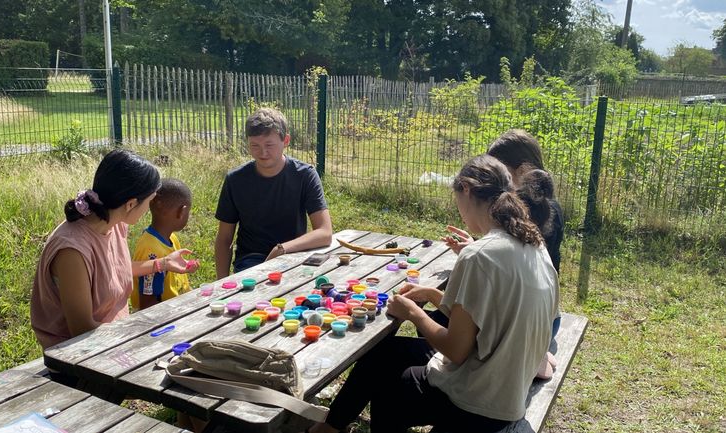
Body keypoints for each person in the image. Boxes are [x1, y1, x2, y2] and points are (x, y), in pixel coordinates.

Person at [309, 155, 559, 433]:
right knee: (383, 354)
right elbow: (490, 317)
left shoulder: (479, 255)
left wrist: (413, 314)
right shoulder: (534, 246)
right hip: (509, 388)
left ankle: (329, 427)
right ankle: (329, 428)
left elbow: (456, 350)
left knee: (389, 389)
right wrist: (432, 295)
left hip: (479, 401)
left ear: (465, 188)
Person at [31, 150, 195, 352]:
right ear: (131, 204)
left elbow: (115, 270)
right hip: (78, 356)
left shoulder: (115, 224)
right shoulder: (71, 251)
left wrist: (162, 263)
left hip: (115, 340)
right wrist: (138, 332)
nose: (149, 208)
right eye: (149, 201)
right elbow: (81, 330)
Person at [443, 129, 564, 378]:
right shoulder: (535, 207)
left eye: (500, 169)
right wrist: (477, 246)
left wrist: (477, 251)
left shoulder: (532, 210)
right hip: (541, 312)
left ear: (522, 169)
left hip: (534, 321)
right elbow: (513, 260)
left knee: (447, 323)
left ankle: (533, 359)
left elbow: (513, 266)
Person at [214, 108, 332, 277]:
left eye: (269, 145)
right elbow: (224, 239)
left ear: (286, 141)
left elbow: (325, 232)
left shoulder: (305, 175)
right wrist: (221, 283)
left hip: (294, 256)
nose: (263, 153)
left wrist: (282, 249)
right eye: (255, 145)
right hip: (250, 260)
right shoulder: (235, 179)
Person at [130, 178, 199, 311]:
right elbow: (147, 303)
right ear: (182, 211)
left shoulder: (171, 238)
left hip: (177, 310)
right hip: (161, 321)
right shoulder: (151, 249)